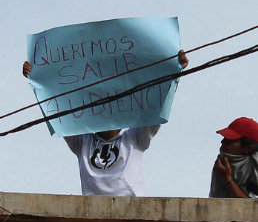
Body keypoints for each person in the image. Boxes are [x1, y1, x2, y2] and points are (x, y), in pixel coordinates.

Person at [23, 50, 189, 196]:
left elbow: (159, 108)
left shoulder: (134, 139)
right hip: (92, 218)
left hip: (130, 214)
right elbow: (56, 110)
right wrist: (38, 78)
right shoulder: (82, 142)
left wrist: (176, 72)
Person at [209, 117, 258, 198]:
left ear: (248, 148)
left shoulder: (253, 165)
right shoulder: (222, 163)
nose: (222, 142)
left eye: (230, 140)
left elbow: (252, 207)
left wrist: (227, 179)